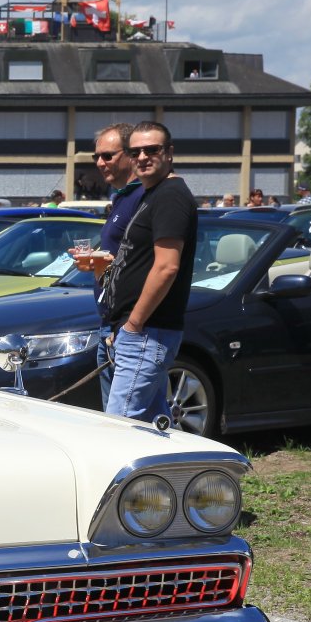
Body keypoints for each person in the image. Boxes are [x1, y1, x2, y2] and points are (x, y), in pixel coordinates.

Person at [99, 121, 198, 423]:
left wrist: (133, 324)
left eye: (151, 150)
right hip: (138, 333)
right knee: (155, 429)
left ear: (169, 152)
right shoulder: (151, 193)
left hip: (146, 333)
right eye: (135, 152)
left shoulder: (171, 195)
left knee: (120, 427)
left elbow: (167, 267)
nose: (142, 157)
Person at [72, 122, 143, 405]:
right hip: (109, 323)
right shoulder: (121, 197)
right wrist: (97, 263)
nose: (100, 163)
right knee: (119, 415)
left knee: (125, 417)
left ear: (131, 154)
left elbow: (147, 262)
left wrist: (130, 326)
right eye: (96, 156)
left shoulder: (144, 197)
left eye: (108, 155)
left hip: (127, 327)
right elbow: (119, 257)